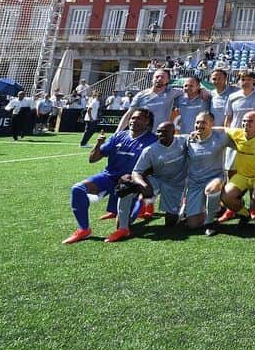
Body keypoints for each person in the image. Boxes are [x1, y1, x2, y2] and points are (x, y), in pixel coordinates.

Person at [62, 109, 156, 244]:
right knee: (77, 189)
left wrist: (138, 180)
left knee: (124, 223)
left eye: (139, 118)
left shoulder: (153, 140)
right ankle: (83, 229)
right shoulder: (118, 136)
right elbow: (92, 159)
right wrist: (99, 144)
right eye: (132, 118)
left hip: (131, 183)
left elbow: (156, 166)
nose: (134, 121)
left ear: (147, 121)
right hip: (110, 177)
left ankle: (139, 202)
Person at [106, 120, 188, 242]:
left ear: (173, 132)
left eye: (165, 132)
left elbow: (200, 136)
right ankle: (123, 228)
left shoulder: (184, 140)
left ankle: (184, 209)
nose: (160, 135)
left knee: (171, 223)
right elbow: (136, 172)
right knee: (126, 187)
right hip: (157, 180)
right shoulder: (150, 150)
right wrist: (142, 184)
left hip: (176, 185)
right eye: (159, 132)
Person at [216, 111, 255, 222]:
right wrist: (203, 129)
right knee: (226, 196)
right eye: (244, 121)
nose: (246, 123)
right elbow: (222, 129)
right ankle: (244, 213)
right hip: (242, 176)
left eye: (250, 121)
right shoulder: (237, 133)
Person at [184, 112, 236, 236]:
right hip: (195, 183)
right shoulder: (188, 140)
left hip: (215, 178)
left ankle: (209, 222)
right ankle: (216, 207)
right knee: (193, 225)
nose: (199, 125)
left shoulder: (221, 137)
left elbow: (239, 139)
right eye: (197, 122)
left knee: (211, 189)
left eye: (203, 122)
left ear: (211, 124)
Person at [117, 68, 183, 132]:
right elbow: (129, 114)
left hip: (160, 134)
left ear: (168, 80)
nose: (159, 79)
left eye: (162, 77)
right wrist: (117, 132)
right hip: (142, 134)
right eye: (157, 76)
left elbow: (189, 92)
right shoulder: (141, 95)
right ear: (152, 79)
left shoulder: (172, 93)